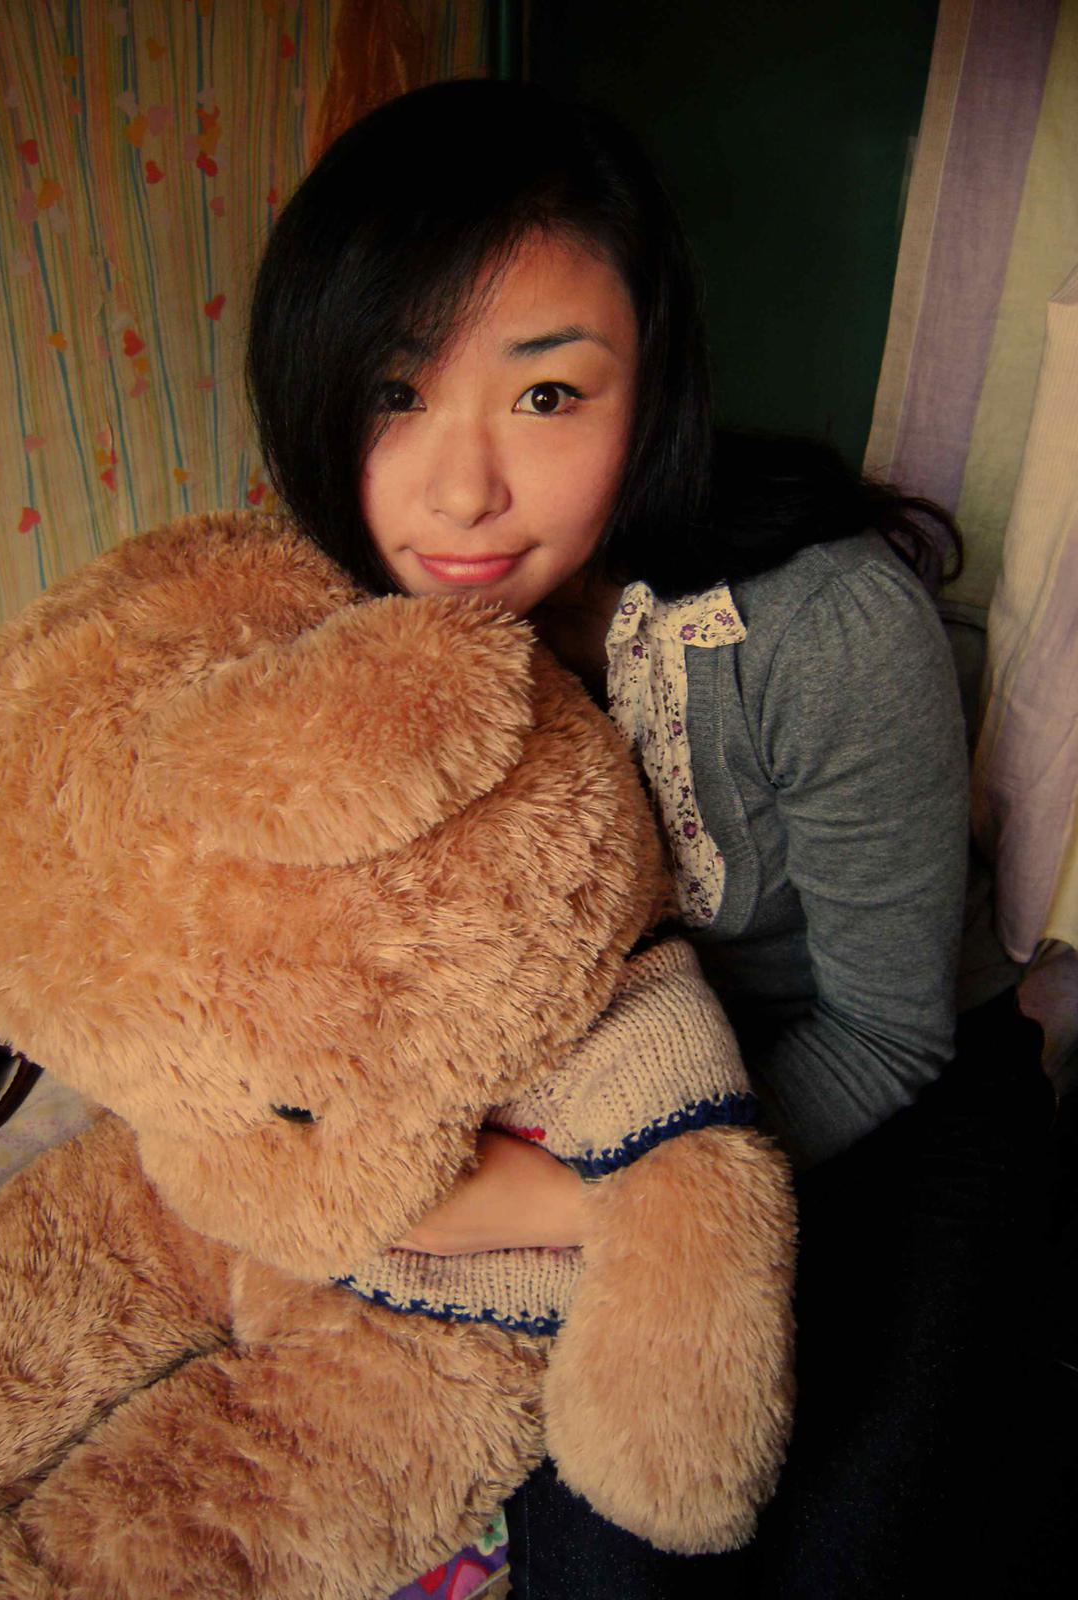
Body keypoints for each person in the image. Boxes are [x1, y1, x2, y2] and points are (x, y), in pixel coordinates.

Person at [246, 78, 1057, 1598]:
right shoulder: (352, 627)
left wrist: (597, 1200)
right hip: (599, 1084)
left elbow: (890, 1034)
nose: (462, 490)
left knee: (843, 1551)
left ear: (653, 384)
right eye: (395, 394)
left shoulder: (822, 628)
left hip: (875, 1090)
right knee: (592, 1564)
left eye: (549, 395)